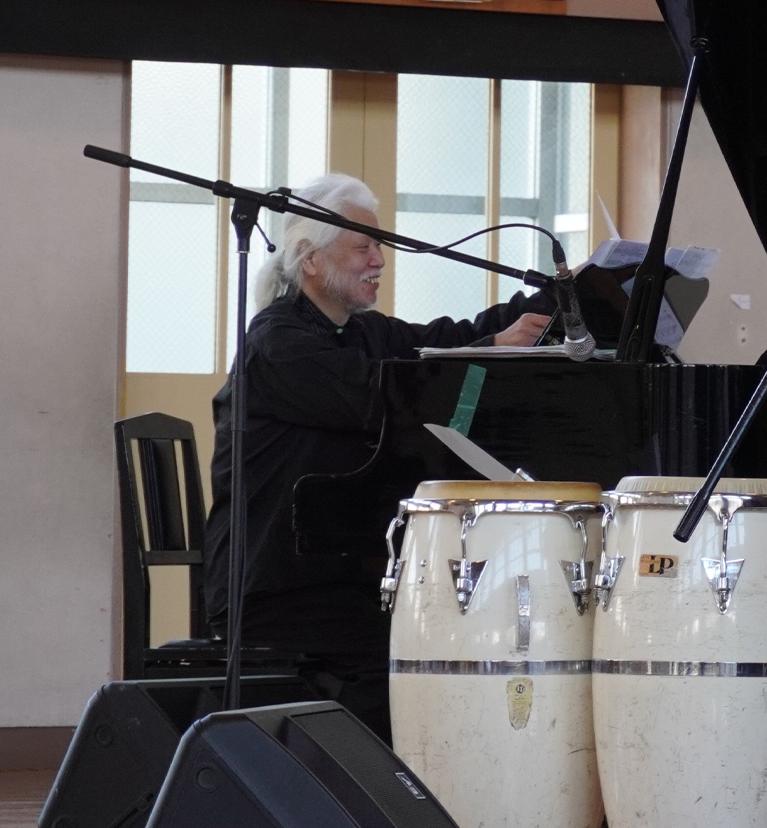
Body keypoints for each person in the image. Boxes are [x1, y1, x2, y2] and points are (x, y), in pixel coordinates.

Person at [209, 173, 555, 740]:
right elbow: (384, 396)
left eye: (380, 244)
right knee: (425, 655)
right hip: (276, 590)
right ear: (310, 259)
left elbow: (448, 337)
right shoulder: (277, 342)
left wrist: (555, 300)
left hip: (336, 574)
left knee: (451, 636)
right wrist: (485, 355)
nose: (380, 259)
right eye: (363, 247)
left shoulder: (359, 332)